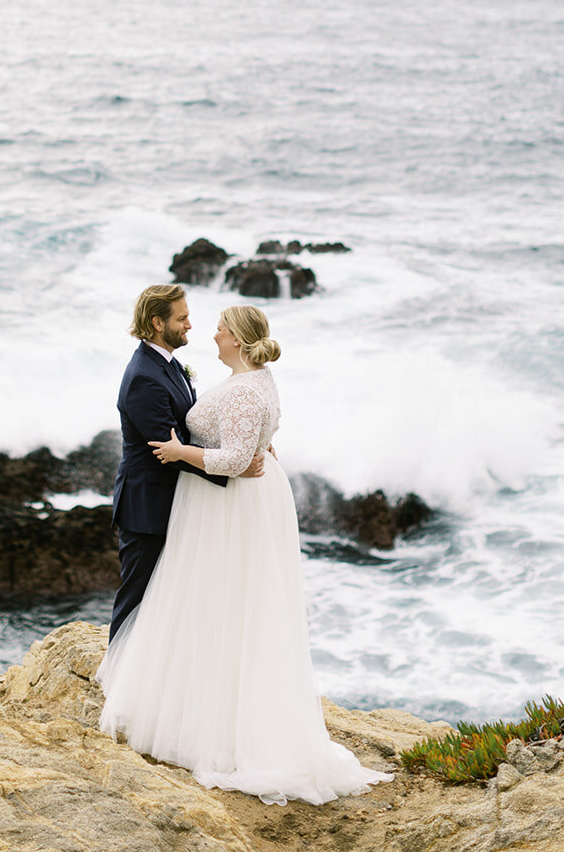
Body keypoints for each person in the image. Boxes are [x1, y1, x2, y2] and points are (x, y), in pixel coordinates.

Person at [98, 302, 392, 806]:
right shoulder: (252, 380)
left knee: (224, 599)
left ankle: (210, 717)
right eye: (195, 321)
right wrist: (251, 444)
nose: (207, 332)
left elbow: (233, 458)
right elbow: (245, 437)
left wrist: (180, 452)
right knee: (222, 598)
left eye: (217, 327)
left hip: (229, 502)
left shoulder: (243, 387)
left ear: (236, 338)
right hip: (231, 499)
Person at [109, 284, 265, 642]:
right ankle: (115, 683)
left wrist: (249, 441)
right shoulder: (143, 379)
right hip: (147, 507)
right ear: (157, 323)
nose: (191, 325)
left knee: (166, 599)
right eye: (182, 318)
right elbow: (169, 450)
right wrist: (233, 467)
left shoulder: (167, 364)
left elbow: (187, 435)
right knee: (137, 598)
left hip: (174, 503)